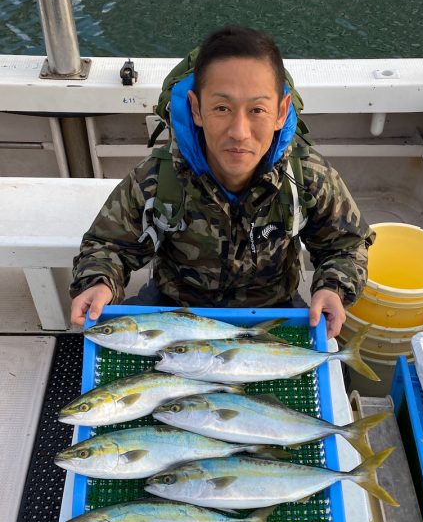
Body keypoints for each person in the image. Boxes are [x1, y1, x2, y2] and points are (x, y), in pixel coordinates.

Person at [70, 25, 375, 338]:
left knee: (334, 371)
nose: (239, 132)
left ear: (281, 112)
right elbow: (108, 246)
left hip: (273, 313)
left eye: (257, 109)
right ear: (196, 108)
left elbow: (346, 244)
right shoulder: (157, 178)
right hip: (175, 310)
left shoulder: (307, 176)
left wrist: (332, 288)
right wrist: (98, 282)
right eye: (221, 108)